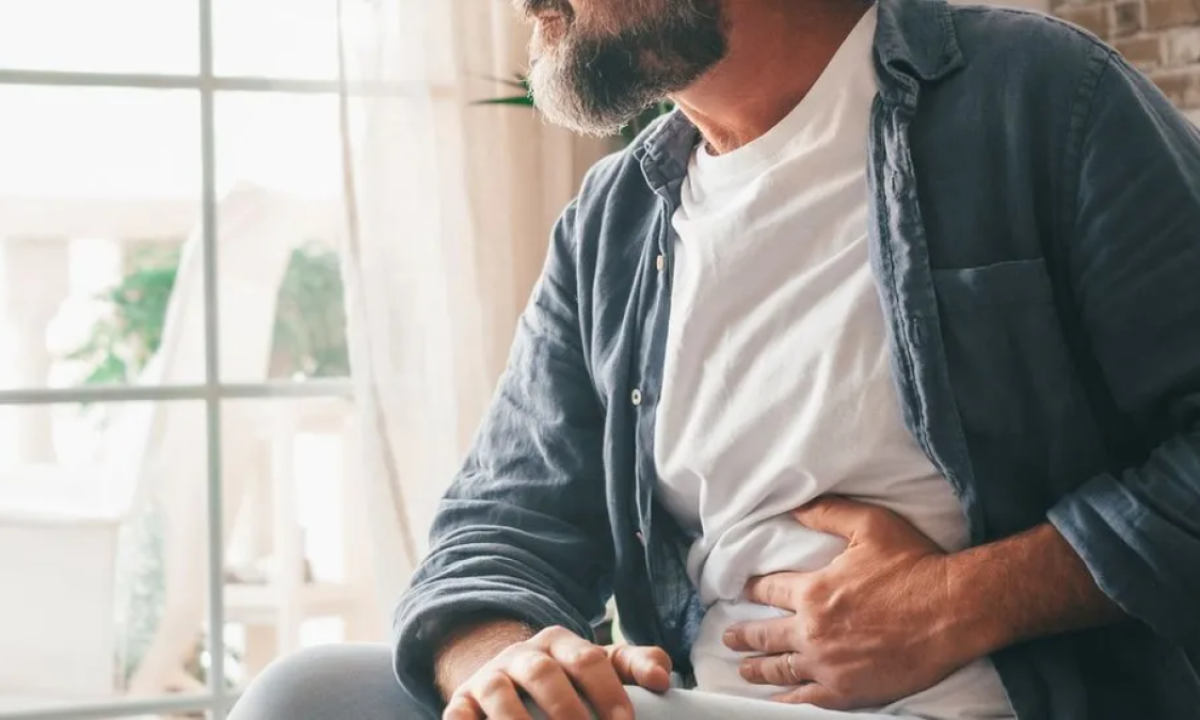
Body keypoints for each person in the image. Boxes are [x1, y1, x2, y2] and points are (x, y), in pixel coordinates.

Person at [229, 0, 1200, 717]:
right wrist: (505, 662)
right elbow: (495, 528)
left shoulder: (1040, 102)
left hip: (985, 705)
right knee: (305, 695)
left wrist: (962, 602)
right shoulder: (616, 219)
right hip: (699, 707)